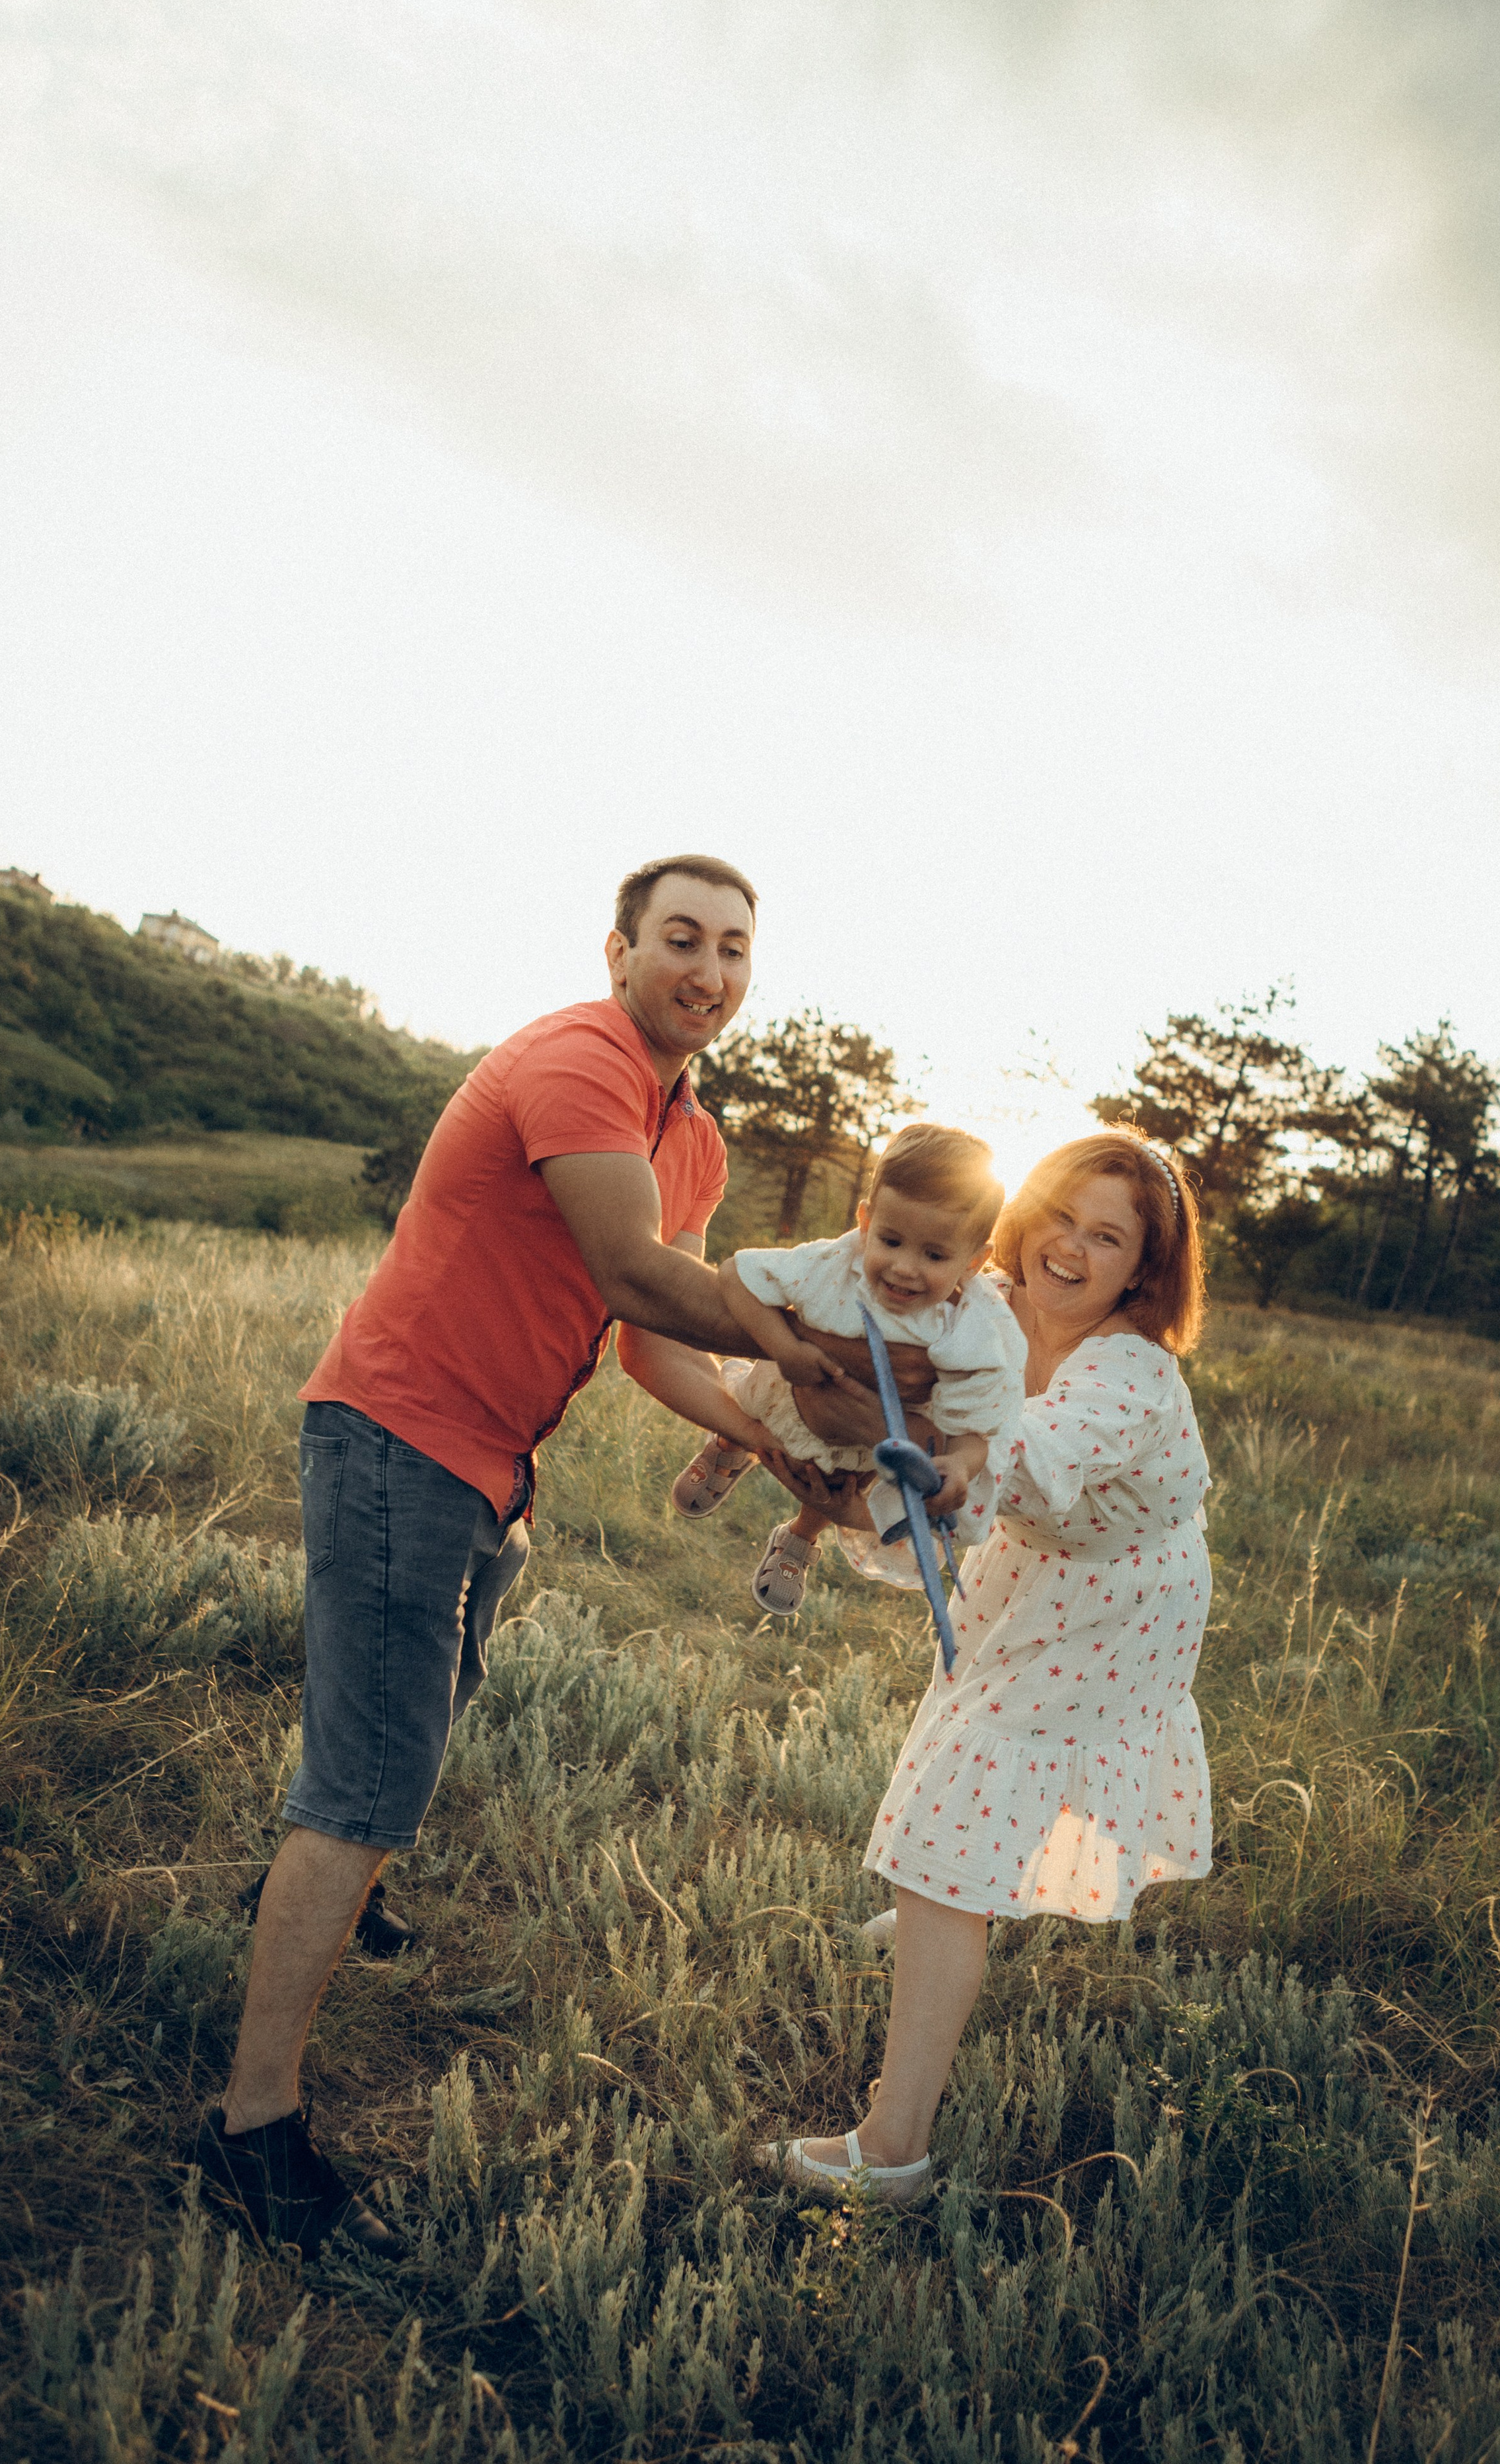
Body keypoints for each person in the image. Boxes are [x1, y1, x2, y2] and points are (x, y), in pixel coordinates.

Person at [194, 852, 860, 2258]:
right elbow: (634, 1269)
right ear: (618, 948)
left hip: (487, 1461)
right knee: (373, 1782)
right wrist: (808, 1346)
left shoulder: (693, 1139)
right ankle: (249, 2127)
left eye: (735, 950)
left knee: (424, 1715)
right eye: (681, 939)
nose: (710, 970)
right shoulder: (579, 1058)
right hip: (396, 1432)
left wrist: (777, 1440)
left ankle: (312, 1891)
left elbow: (644, 1334)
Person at [760, 1127, 1212, 2205]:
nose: (1071, 1246)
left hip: (1124, 1604)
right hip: (1031, 1571)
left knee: (956, 1818)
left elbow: (1025, 1458)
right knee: (958, 1739)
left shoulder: (1134, 1371)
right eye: (1060, 1214)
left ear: (1144, 1268)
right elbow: (866, 1276)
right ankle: (951, 1909)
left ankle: (893, 2150)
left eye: (1107, 1238)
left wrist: (923, 1450)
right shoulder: (991, 1300)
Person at [670, 1125, 1025, 1619]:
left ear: (974, 1262)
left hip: (863, 1437)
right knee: (752, 1406)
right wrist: (783, 1347)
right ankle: (729, 1447)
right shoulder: (834, 1264)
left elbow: (976, 1424)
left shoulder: (975, 1331)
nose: (905, 1267)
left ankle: (799, 1540)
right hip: (788, 1390)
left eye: (935, 1255)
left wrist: (962, 1466)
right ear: (865, 1222)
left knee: (837, 1484)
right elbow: (737, 1274)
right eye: (892, 1240)